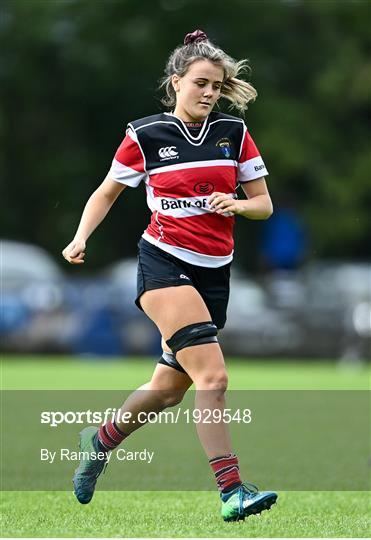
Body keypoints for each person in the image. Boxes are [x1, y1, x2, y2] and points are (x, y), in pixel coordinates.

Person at [62, 29, 277, 522]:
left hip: (214, 274)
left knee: (167, 390)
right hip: (163, 264)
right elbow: (106, 193)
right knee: (213, 377)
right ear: (176, 82)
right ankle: (232, 490)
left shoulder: (235, 135)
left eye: (217, 86)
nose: (209, 93)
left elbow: (264, 205)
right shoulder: (146, 135)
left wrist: (239, 206)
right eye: (201, 82)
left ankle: (98, 441)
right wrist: (80, 237)